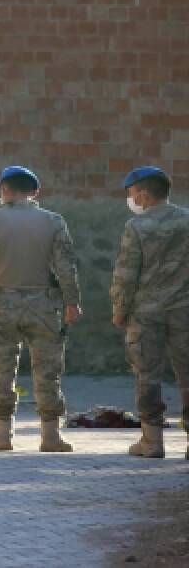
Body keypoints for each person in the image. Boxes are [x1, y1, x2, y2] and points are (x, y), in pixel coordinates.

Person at [0, 166, 81, 453]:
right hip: (44, 304)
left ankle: (2, 435)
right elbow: (66, 266)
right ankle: (50, 436)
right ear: (35, 192)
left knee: (1, 369)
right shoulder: (54, 222)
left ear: (4, 190)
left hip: (1, 303)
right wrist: (72, 302)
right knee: (48, 371)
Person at [111, 166, 189, 460]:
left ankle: (152, 441)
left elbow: (126, 273)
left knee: (148, 376)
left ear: (143, 194)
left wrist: (119, 310)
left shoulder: (137, 227)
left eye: (131, 193)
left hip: (146, 313)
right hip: (185, 310)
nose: (131, 199)